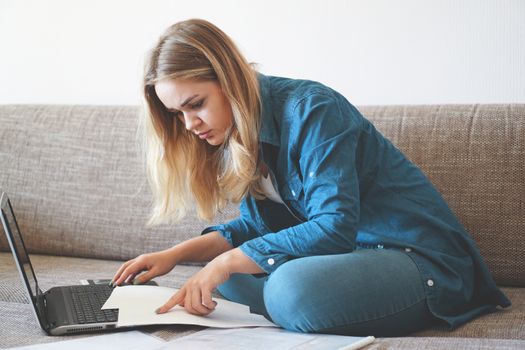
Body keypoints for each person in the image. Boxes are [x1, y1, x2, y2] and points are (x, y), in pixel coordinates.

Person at [111, 18, 511, 337]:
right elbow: (256, 226)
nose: (189, 124)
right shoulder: (241, 133)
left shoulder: (311, 109)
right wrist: (174, 256)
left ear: (229, 78)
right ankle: (302, 304)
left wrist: (228, 263)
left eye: (195, 104)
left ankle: (297, 304)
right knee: (226, 276)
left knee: (285, 287)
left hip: (414, 260)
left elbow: (335, 227)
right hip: (345, 261)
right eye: (177, 114)